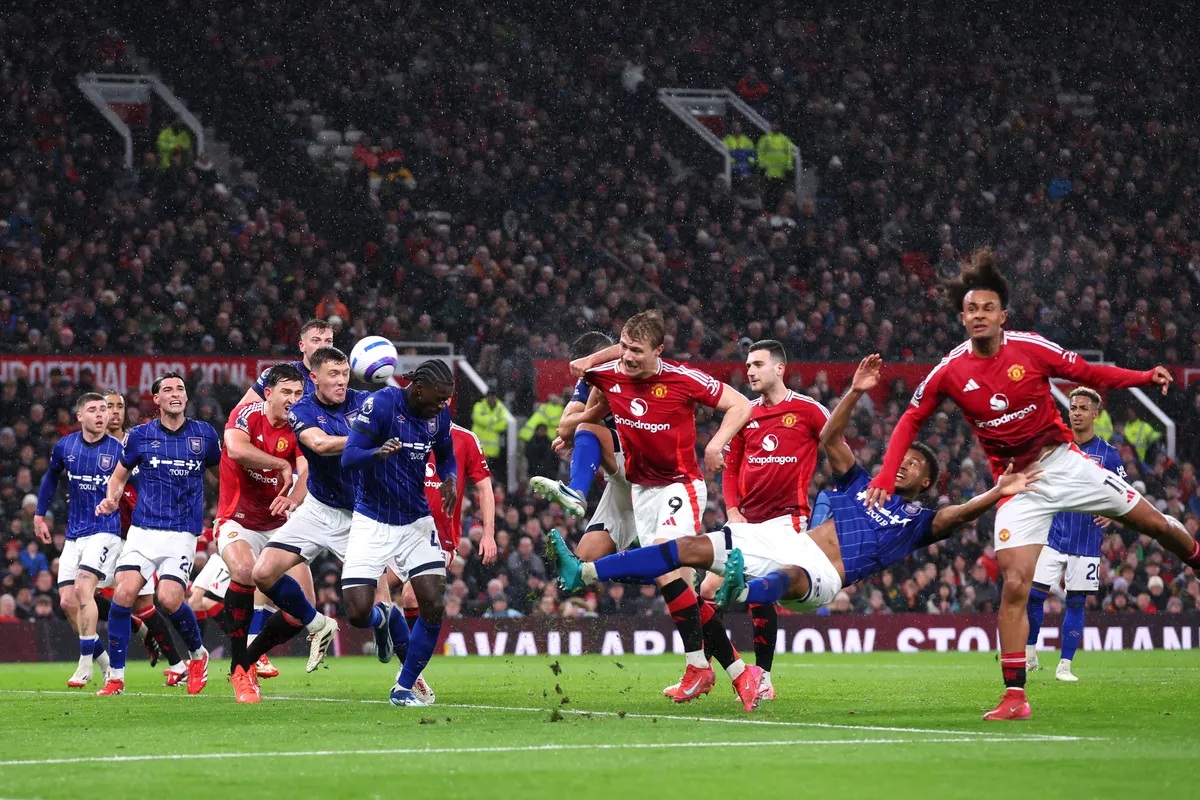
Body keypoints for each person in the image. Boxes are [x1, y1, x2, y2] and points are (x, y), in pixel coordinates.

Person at [551, 355, 1041, 701]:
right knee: (686, 550)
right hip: (778, 535)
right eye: (904, 458)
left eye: (915, 464)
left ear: (929, 480)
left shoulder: (917, 521)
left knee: (783, 581)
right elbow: (831, 440)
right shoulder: (861, 485)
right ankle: (589, 574)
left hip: (820, 569)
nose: (905, 465)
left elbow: (955, 516)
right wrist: (853, 392)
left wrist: (996, 493)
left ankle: (750, 645)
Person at [863, 250, 1200, 721]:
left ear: (1003, 314)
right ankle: (1015, 695)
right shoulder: (949, 370)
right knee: (1015, 584)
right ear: (962, 318)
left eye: (987, 308)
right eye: (971, 310)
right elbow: (909, 420)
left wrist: (1143, 376)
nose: (979, 316)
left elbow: (1087, 373)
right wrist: (884, 472)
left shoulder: (1031, 347)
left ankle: (1197, 559)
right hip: (1017, 484)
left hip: (1064, 464)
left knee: (1154, 526)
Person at [566, 309, 753, 705]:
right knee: (677, 589)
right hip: (641, 492)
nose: (629, 357)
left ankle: (699, 667)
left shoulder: (683, 379)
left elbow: (740, 405)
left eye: (638, 351)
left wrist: (716, 444)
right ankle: (739, 672)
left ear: (659, 351)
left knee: (667, 571)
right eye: (625, 348)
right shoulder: (610, 374)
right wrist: (576, 415)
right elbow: (586, 403)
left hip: (680, 486)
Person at [94, 373, 223, 696]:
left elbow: (223, 478)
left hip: (182, 532)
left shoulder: (204, 435)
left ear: (186, 397)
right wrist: (111, 497)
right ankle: (116, 677)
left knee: (168, 598)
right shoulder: (139, 436)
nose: (175, 393)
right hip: (143, 530)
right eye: (167, 389)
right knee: (123, 595)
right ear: (157, 399)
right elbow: (119, 476)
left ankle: (197, 655)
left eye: (180, 388)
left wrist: (226, 516)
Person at [717, 339, 830, 702]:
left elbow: (838, 447)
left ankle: (762, 677)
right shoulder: (742, 413)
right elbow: (730, 467)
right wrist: (732, 510)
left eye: (758, 364)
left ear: (779, 369)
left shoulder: (809, 411)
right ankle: (727, 668)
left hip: (786, 522)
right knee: (702, 593)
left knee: (761, 592)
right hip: (745, 522)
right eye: (748, 365)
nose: (749, 371)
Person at [340, 360, 457, 707]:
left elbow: (447, 456)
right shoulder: (382, 405)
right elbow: (348, 457)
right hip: (372, 519)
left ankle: (403, 688)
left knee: (433, 604)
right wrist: (376, 452)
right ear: (419, 388)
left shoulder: (439, 416)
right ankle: (384, 617)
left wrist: (450, 478)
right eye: (438, 399)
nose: (442, 406)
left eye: (446, 400)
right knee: (358, 612)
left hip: (416, 521)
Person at [247, 347, 364, 680]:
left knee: (373, 607)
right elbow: (320, 447)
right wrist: (370, 433)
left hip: (360, 515)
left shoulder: (364, 402)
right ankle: (315, 626)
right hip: (317, 508)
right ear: (315, 378)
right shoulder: (303, 410)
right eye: (333, 375)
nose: (341, 380)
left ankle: (410, 674)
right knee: (261, 572)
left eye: (345, 374)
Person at [375, 418, 498, 705]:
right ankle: (403, 658)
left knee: (410, 596)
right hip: (398, 528)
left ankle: (407, 678)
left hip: (438, 537)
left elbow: (485, 488)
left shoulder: (465, 438)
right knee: (374, 592)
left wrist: (488, 533)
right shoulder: (400, 429)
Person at [214, 363, 307, 702]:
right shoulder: (246, 414)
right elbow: (236, 449)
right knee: (243, 571)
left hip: (280, 526)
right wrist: (279, 464)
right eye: (286, 392)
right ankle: (240, 670)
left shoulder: (301, 424)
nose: (293, 399)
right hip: (237, 520)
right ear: (268, 393)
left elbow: (306, 472)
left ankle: (247, 660)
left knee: (301, 611)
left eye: (298, 393)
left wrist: (292, 497)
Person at [1026, 387, 1125, 682]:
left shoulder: (1108, 454)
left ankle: (1065, 666)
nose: (1077, 412)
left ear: (1096, 414)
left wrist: (1111, 511)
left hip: (1087, 540)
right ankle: (1030, 655)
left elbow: (1124, 494)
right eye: (1073, 407)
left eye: (1083, 408)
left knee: (1076, 602)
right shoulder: (1056, 448)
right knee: (1034, 595)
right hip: (1052, 536)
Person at [33, 393, 122, 687]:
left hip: (105, 530)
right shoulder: (66, 446)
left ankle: (83, 664)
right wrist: (39, 515)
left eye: (104, 410)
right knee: (68, 601)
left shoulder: (120, 449)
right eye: (93, 410)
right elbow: (50, 478)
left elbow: (138, 487)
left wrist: (116, 501)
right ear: (79, 417)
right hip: (75, 534)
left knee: (84, 588)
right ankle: (105, 664)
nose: (100, 414)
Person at [104, 390, 187, 684]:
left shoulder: (135, 440)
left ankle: (176, 662)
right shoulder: (87, 445)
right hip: (104, 531)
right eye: (107, 406)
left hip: (137, 531)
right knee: (80, 594)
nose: (112, 412)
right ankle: (144, 638)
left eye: (118, 407)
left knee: (142, 602)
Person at [236, 318, 334, 406]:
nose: (323, 346)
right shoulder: (277, 374)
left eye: (328, 341)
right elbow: (240, 414)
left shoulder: (341, 379)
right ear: (302, 346)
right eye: (316, 340)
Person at [471, 390, 510, 474]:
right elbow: (477, 418)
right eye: (490, 396)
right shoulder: (479, 405)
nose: (492, 399)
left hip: (493, 450)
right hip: (479, 447)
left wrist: (487, 424)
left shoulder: (500, 408)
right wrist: (494, 421)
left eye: (493, 396)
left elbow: (503, 424)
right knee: (476, 472)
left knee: (490, 473)